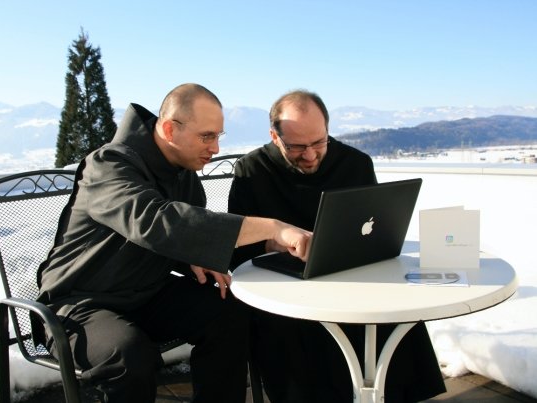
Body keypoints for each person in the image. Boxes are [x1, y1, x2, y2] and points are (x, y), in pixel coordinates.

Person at [36, 83, 312, 403]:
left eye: (218, 137)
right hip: (79, 305)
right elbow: (156, 222)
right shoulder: (108, 166)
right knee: (128, 355)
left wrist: (192, 256)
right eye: (206, 136)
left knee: (229, 311)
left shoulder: (184, 175)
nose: (215, 148)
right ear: (169, 129)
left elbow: (182, 232)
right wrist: (273, 228)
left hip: (146, 294)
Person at [228, 90, 446, 402]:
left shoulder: (355, 163)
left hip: (348, 275)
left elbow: (375, 229)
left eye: (319, 142)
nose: (311, 155)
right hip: (285, 288)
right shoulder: (251, 170)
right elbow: (238, 249)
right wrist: (272, 242)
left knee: (391, 312)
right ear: (274, 136)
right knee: (291, 333)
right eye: (297, 147)